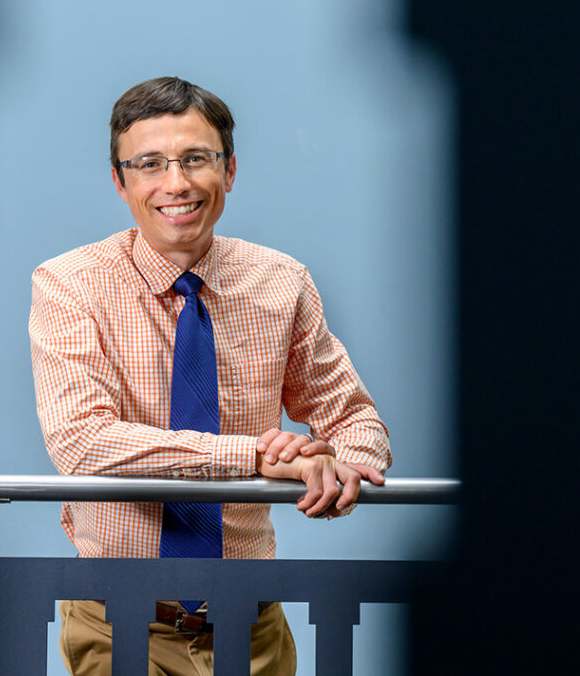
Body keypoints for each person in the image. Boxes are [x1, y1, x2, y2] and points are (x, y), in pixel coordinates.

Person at [28, 76, 391, 676]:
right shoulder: (71, 285)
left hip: (252, 627)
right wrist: (251, 456)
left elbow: (354, 418)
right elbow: (81, 443)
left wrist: (338, 470)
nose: (177, 183)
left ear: (229, 170)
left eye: (196, 159)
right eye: (149, 164)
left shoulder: (281, 282)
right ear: (120, 182)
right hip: (117, 622)